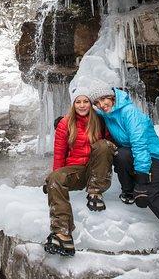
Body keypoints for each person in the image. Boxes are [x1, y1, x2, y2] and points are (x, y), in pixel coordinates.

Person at [88, 83, 159, 259]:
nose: (102, 104)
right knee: (119, 154)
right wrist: (64, 122)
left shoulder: (129, 112)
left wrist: (142, 179)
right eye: (97, 102)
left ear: (112, 96)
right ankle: (129, 192)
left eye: (104, 99)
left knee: (150, 195)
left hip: (154, 159)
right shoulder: (106, 115)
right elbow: (82, 116)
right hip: (135, 157)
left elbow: (139, 144)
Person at [44, 87, 116, 257]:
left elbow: (111, 144)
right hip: (75, 171)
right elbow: (59, 153)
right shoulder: (65, 123)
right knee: (55, 177)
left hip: (96, 169)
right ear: (73, 104)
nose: (82, 105)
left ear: (91, 104)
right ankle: (62, 233)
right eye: (78, 102)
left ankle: (95, 192)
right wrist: (53, 179)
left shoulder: (100, 120)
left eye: (85, 102)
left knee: (104, 145)